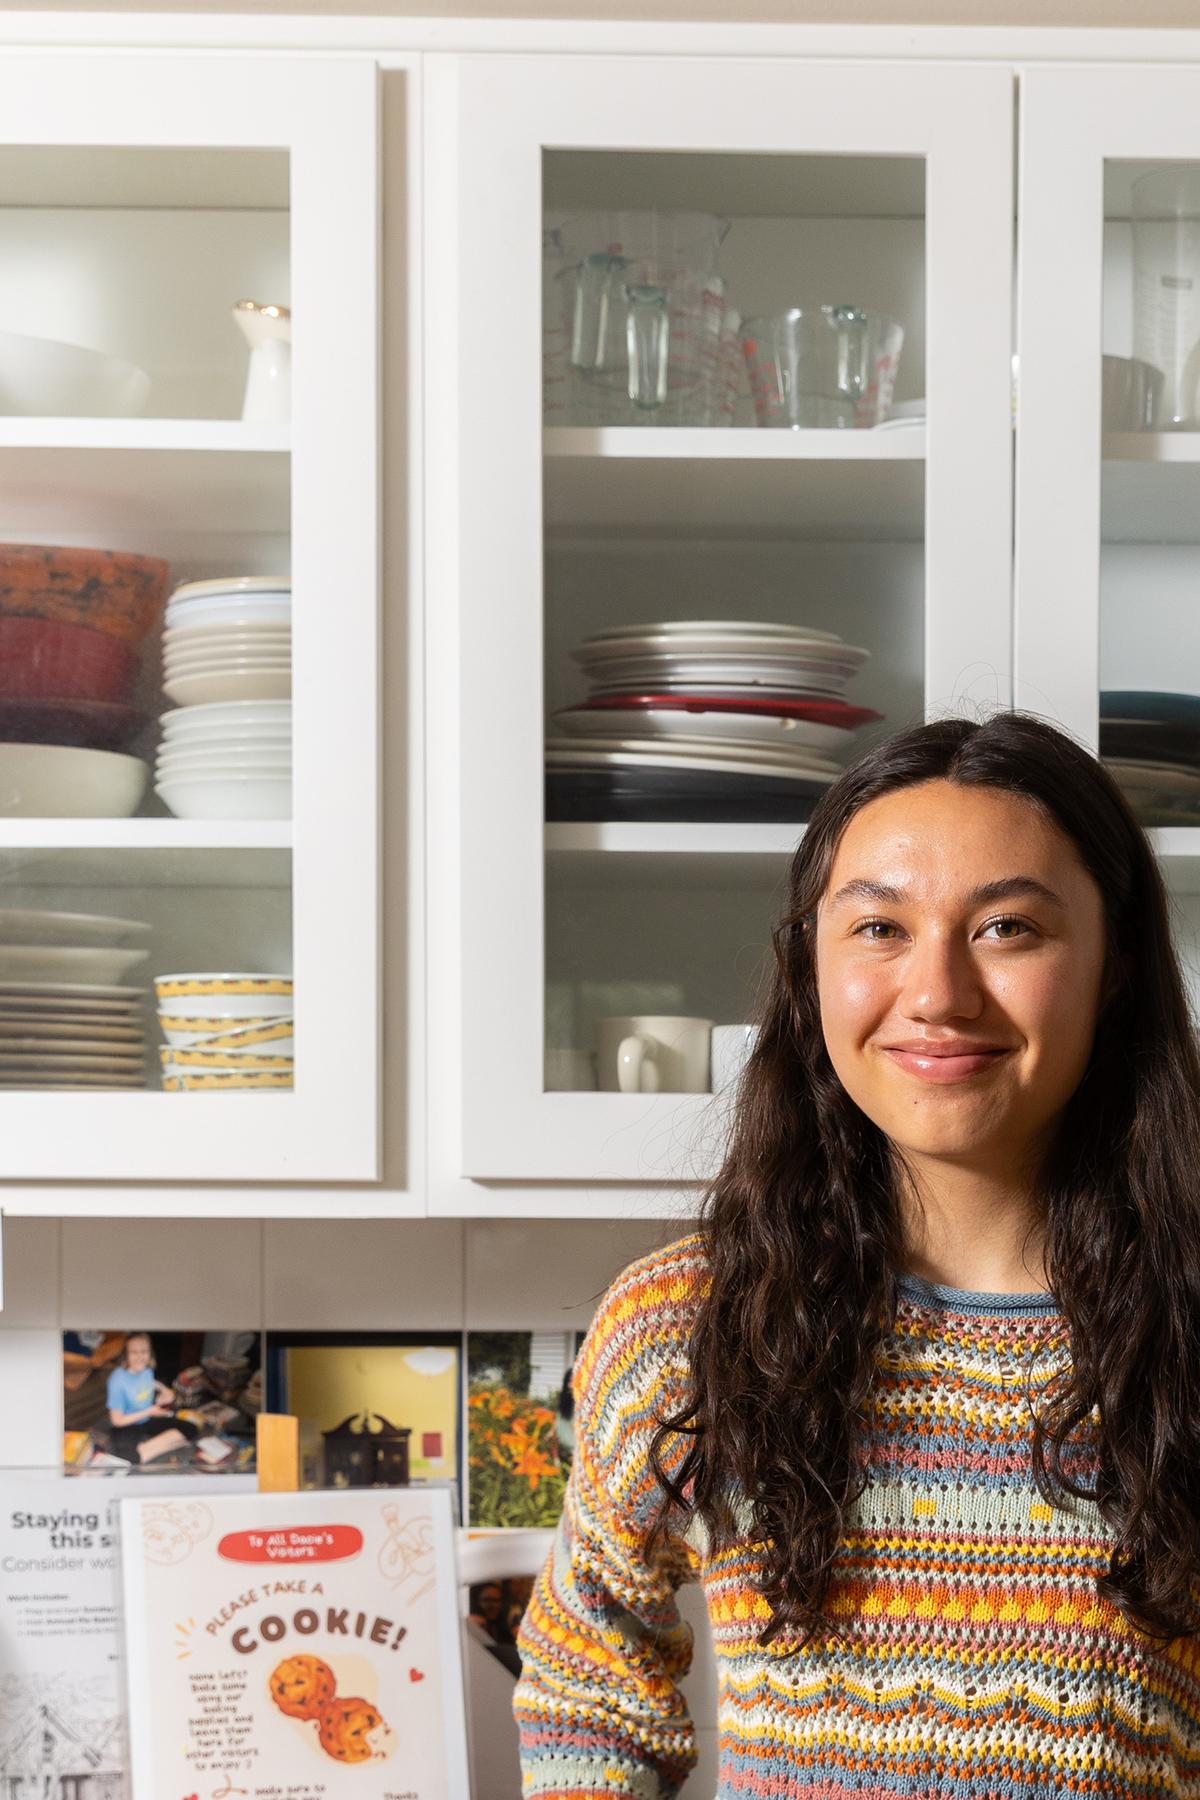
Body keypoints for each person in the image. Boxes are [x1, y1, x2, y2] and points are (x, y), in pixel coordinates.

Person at [514, 711, 1200, 1797]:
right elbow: (584, 1686)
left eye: (1008, 928)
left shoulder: (1185, 1330)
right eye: (879, 928)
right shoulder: (683, 1326)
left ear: (1113, 964)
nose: (936, 994)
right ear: (809, 966)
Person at [106, 1331, 200, 1465]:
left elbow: (151, 1381)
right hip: (127, 1424)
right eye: (134, 1352)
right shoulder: (117, 1380)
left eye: (144, 1352)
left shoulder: (146, 1369)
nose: (140, 1357)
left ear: (150, 1353)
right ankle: (166, 1444)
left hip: (148, 1418)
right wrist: (149, 1411)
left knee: (192, 1429)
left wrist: (164, 1390)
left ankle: (144, 1449)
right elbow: (117, 1421)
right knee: (125, 1460)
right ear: (126, 1355)